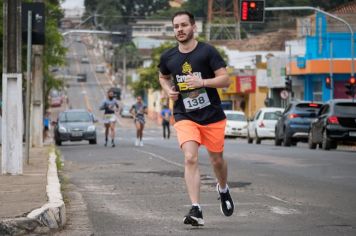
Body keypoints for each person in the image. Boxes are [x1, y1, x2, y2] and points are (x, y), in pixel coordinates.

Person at [158, 11, 234, 227]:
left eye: (183, 25)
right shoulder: (168, 57)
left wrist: (202, 83)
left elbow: (225, 80)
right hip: (184, 114)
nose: (179, 30)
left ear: (193, 27)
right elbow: (162, 77)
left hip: (212, 116)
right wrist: (167, 90)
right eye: (176, 26)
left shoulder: (207, 51)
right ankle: (196, 209)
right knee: (190, 157)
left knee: (216, 161)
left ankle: (223, 188)